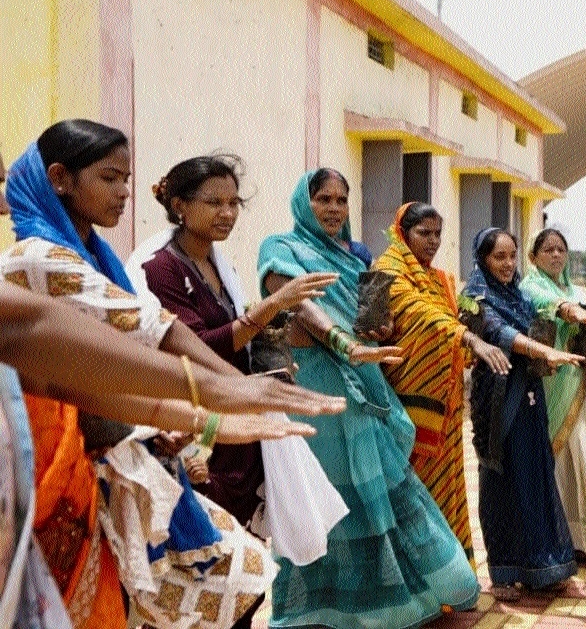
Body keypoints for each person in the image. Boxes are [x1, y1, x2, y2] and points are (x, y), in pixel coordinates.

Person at [1, 121, 333, 629]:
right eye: (111, 178)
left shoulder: (103, 255)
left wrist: (211, 414)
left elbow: (80, 379)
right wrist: (226, 392)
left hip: (113, 451)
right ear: (61, 179)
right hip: (59, 465)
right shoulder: (42, 257)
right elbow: (145, 331)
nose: (123, 192)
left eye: (233, 203)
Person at [259, 169, 479, 628]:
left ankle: (410, 597)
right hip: (316, 389)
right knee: (326, 498)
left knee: (383, 491)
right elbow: (299, 305)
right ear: (304, 202)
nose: (334, 209)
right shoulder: (280, 247)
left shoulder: (360, 259)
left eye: (342, 199)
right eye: (323, 199)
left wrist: (376, 333)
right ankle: (321, 607)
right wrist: (347, 345)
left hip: (365, 389)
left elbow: (375, 323)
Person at [128, 156, 337, 524]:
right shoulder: (161, 268)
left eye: (233, 203)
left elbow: (237, 339)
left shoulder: (219, 265)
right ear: (180, 206)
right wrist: (273, 305)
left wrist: (269, 364)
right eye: (214, 203)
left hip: (235, 424)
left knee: (247, 540)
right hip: (194, 425)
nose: (227, 213)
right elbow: (199, 346)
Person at [372, 202, 507, 563]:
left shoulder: (440, 279)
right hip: (405, 402)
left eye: (437, 234)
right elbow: (423, 314)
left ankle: (448, 579)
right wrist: (469, 338)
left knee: (446, 489)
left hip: (444, 404)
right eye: (423, 233)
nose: (432, 241)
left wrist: (469, 342)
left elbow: (447, 320)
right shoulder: (387, 271)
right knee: (410, 491)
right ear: (403, 232)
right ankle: (414, 582)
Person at [465, 227, 584, 600]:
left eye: (511, 256)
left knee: (534, 474)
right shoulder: (475, 297)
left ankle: (542, 567)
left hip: (530, 394)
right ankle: (502, 573)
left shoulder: (518, 294)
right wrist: (540, 351)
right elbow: (498, 333)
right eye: (499, 257)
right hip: (499, 400)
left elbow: (537, 326)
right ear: (483, 258)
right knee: (501, 480)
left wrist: (548, 352)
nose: (507, 264)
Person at [520, 228, 586, 574]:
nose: (555, 255)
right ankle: (558, 539)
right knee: (553, 463)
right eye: (547, 250)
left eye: (561, 250)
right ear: (534, 257)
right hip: (546, 385)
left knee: (583, 454)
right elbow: (545, 305)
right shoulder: (530, 287)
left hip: (577, 386)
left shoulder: (580, 291)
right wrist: (573, 313)